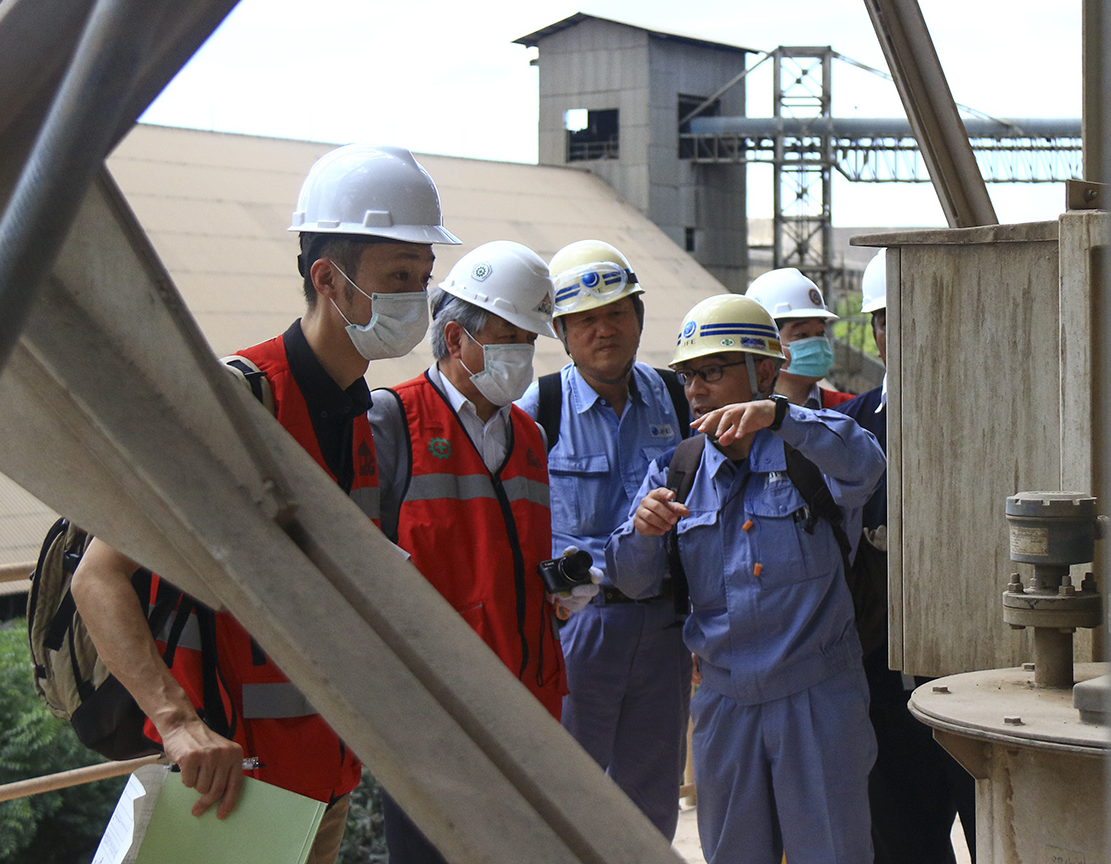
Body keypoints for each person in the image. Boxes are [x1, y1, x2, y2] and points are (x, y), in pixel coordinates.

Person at [71, 144, 459, 864]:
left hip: (326, 780)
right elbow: (96, 577)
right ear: (328, 279)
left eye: (424, 278)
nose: (418, 299)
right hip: (228, 790)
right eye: (399, 278)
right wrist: (177, 722)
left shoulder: (358, 413)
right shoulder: (233, 405)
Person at [608, 294, 886, 864]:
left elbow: (867, 463)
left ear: (765, 370)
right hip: (723, 705)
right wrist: (642, 532)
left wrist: (780, 416)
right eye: (688, 376)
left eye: (713, 371)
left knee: (832, 853)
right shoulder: (675, 471)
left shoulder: (812, 451)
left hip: (817, 695)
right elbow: (634, 582)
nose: (697, 390)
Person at [369, 240, 589, 864]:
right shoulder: (391, 420)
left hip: (525, 706)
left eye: (529, 339)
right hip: (433, 713)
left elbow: (511, 557)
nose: (521, 353)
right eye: (508, 336)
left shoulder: (529, 435)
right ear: (455, 338)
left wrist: (560, 590)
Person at [513, 240, 694, 838]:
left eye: (617, 312)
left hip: (664, 628)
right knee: (565, 797)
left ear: (639, 318)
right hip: (576, 628)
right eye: (585, 319)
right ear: (560, 331)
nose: (604, 330)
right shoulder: (540, 408)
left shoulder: (676, 398)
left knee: (650, 802)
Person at [833, 251, 976, 864]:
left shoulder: (992, 417)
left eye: (919, 314)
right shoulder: (848, 432)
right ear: (874, 332)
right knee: (902, 848)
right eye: (890, 319)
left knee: (1002, 840)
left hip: (981, 684)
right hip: (884, 691)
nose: (905, 332)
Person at [744, 267, 854, 408]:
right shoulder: (739, 417)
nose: (816, 345)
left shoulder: (850, 409)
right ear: (762, 342)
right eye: (802, 335)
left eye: (820, 333)